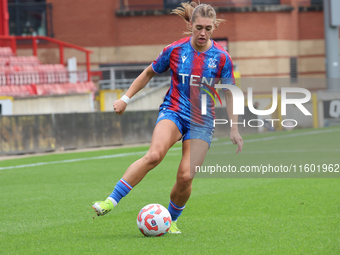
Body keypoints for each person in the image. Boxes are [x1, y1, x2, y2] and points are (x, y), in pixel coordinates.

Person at [92, 2, 243, 234]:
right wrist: (125, 98)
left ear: (214, 28)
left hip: (202, 122)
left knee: (185, 176)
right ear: (190, 24)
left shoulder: (222, 58)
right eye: (199, 27)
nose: (203, 33)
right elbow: (149, 72)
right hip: (173, 111)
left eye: (208, 29)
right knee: (153, 155)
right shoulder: (175, 50)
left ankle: (170, 220)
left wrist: (235, 128)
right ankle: (110, 201)